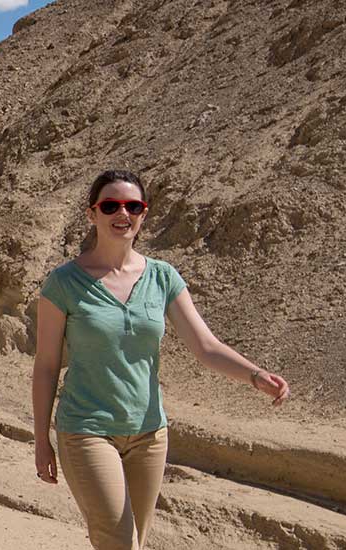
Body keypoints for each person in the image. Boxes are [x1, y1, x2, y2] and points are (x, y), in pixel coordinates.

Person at [30, 170, 292, 550]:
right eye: (111, 206)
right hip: (87, 429)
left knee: (136, 540)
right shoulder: (64, 283)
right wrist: (41, 440)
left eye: (133, 206)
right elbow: (47, 366)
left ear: (144, 213)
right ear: (92, 214)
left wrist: (255, 375)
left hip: (150, 434)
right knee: (119, 543)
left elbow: (206, 346)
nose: (123, 214)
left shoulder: (163, 277)